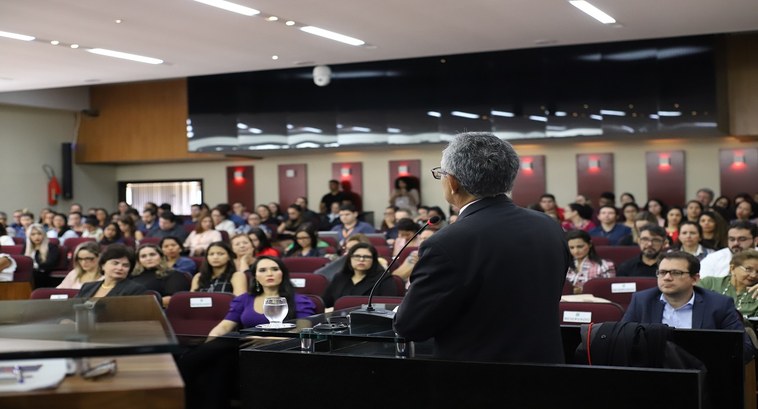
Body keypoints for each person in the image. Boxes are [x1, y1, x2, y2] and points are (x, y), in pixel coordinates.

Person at [395, 132, 570, 363]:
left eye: (440, 174)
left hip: (479, 380)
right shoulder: (549, 226)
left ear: (453, 182)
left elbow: (411, 326)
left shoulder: (446, 242)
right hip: (547, 367)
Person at [180, 256, 316, 409]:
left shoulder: (299, 300)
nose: (269, 273)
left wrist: (272, 339)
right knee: (219, 362)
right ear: (256, 276)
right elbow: (224, 326)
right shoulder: (245, 299)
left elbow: (304, 329)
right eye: (263, 270)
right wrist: (208, 348)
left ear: (282, 273)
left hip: (279, 349)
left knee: (222, 349)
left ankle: (185, 365)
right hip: (244, 346)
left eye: (274, 269)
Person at [622, 251, 752, 360]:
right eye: (662, 272)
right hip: (654, 373)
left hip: (703, 375)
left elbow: (744, 349)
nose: (667, 277)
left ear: (695, 279)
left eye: (676, 273)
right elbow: (623, 341)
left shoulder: (719, 305)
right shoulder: (642, 301)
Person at [322, 243, 398, 308]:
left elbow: (389, 307)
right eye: (357, 256)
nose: (361, 259)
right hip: (337, 322)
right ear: (349, 259)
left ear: (373, 260)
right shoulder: (339, 277)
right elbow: (326, 303)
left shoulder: (384, 279)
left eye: (367, 257)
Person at [699, 250, 758, 318]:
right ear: (732, 268)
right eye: (748, 269)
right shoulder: (710, 283)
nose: (754, 275)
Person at [77, 244, 146, 297]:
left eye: (125, 265)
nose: (120, 268)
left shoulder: (134, 289)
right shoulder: (87, 287)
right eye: (115, 263)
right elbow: (73, 308)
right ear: (103, 265)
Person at [25, 223, 61, 288]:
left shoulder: (51, 247)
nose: (36, 237)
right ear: (29, 236)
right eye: (33, 234)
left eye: (39, 234)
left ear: (44, 235)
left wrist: (36, 266)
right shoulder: (26, 247)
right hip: (29, 274)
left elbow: (50, 263)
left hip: (44, 275)